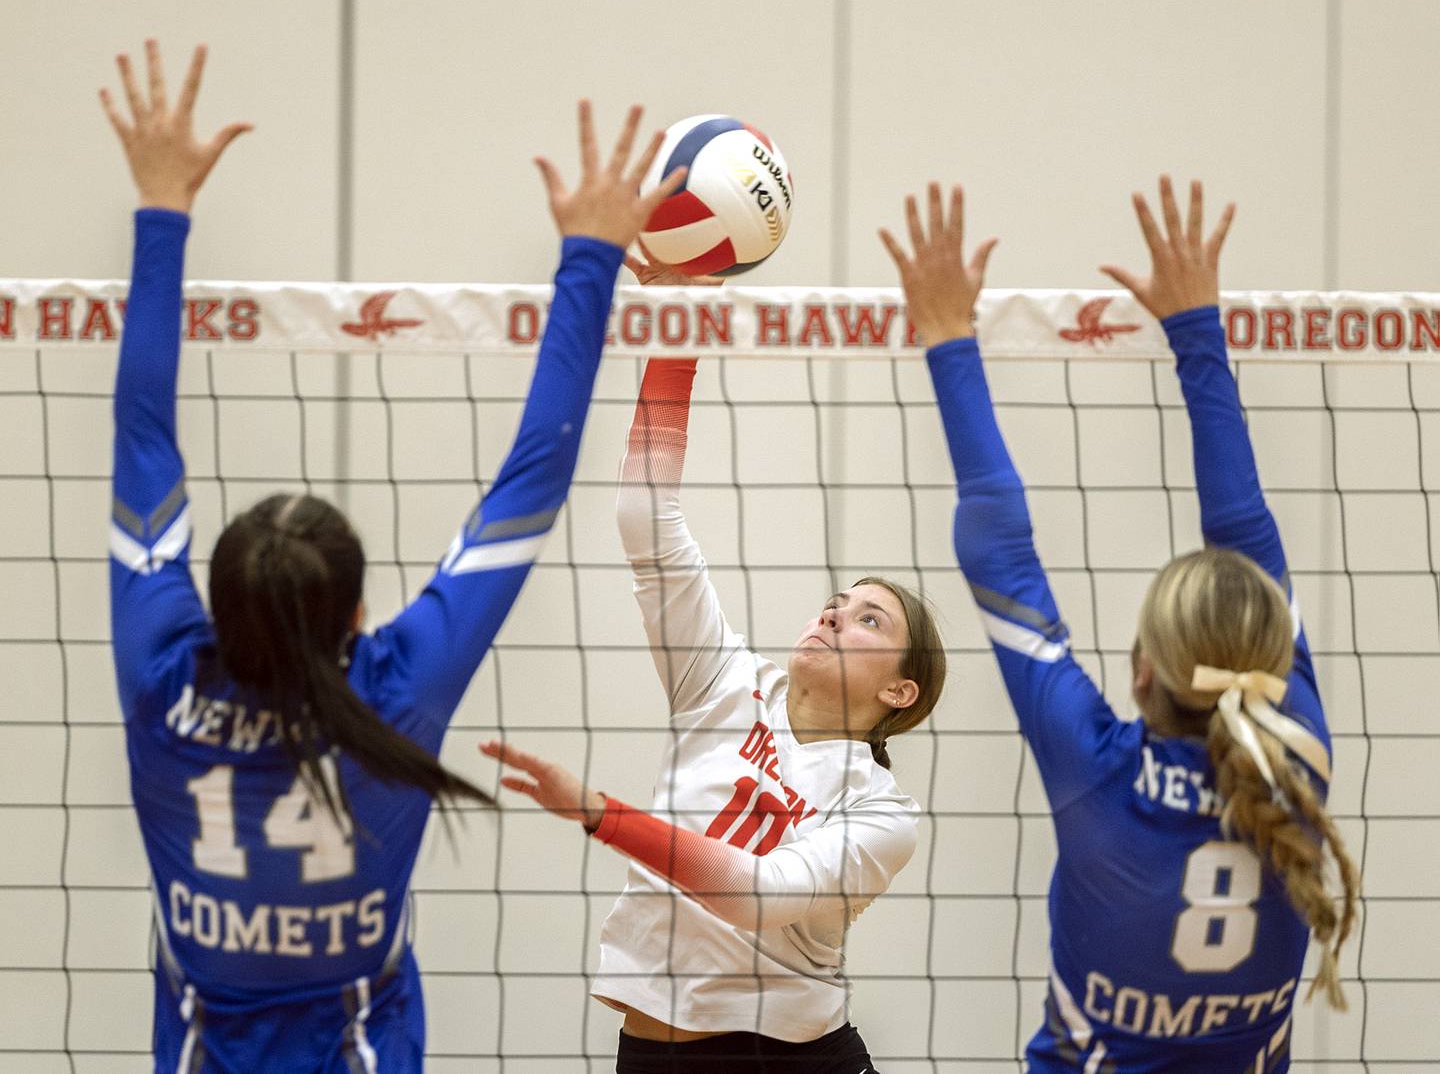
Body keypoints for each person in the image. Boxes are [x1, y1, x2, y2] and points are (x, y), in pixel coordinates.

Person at [103, 40, 683, 1072]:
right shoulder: (396, 693)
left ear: (211, 612)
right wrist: (588, 260)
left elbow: (143, 438)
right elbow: (536, 485)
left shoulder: (163, 684)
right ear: (360, 619)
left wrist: (160, 210)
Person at [879, 178, 1359, 1073]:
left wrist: (945, 334)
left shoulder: (1108, 773)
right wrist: (1196, 333)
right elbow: (1239, 530)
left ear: (1141, 670)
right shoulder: (1299, 762)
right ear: (1269, 656)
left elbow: (999, 545)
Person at [480, 255, 947, 1074]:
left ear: (899, 690)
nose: (834, 612)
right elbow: (646, 519)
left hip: (786, 1061)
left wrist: (600, 813)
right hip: (651, 1054)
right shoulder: (728, 684)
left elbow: (757, 894)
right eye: (837, 600)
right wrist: (678, 326)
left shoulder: (883, 813)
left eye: (868, 618)